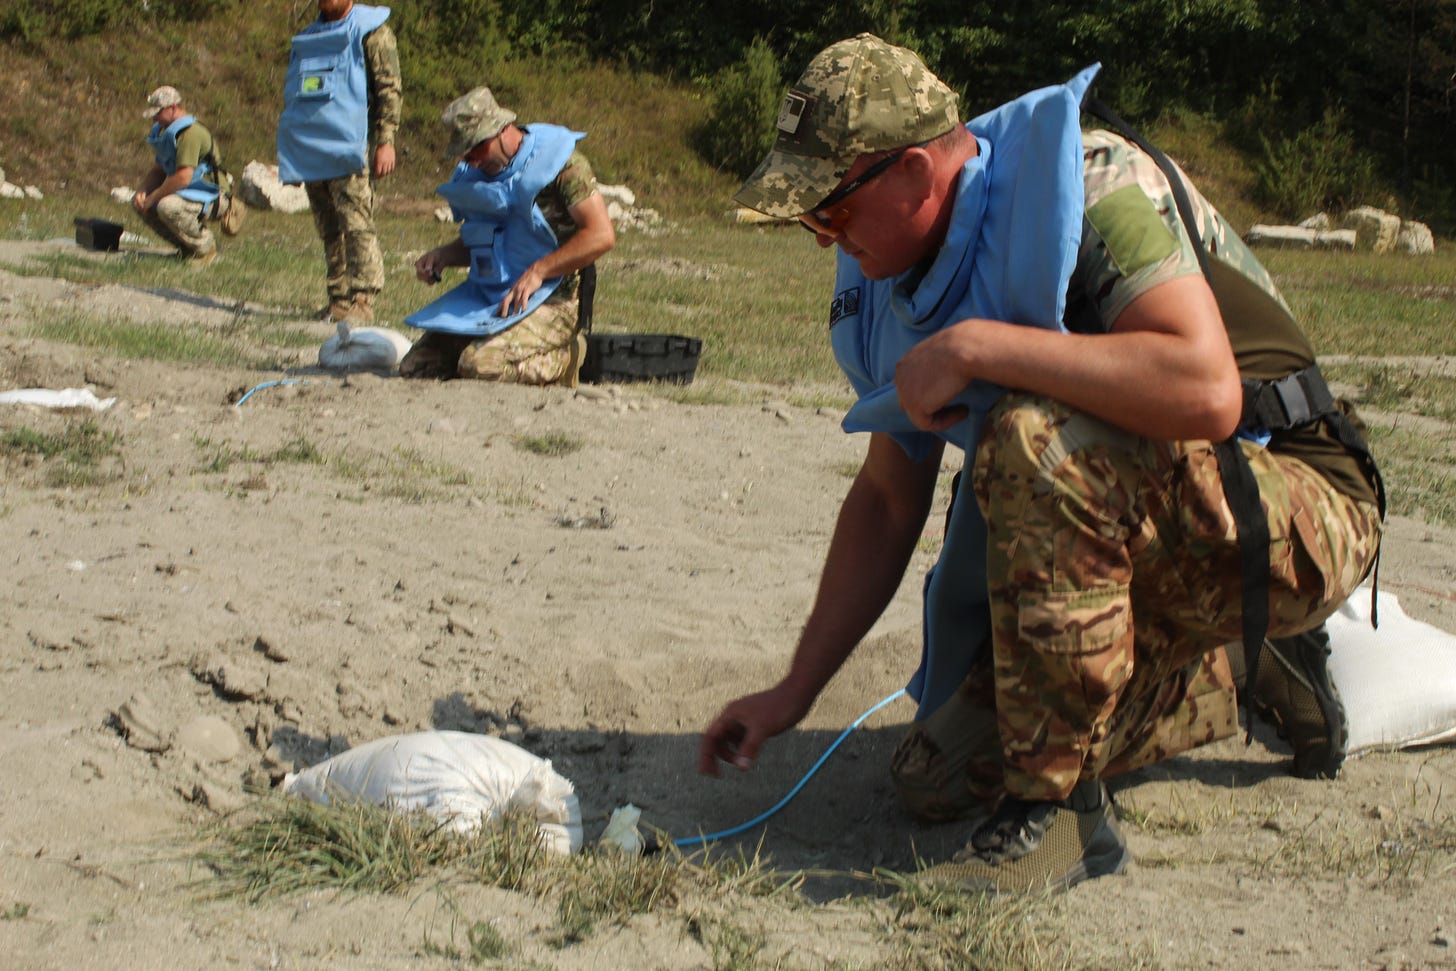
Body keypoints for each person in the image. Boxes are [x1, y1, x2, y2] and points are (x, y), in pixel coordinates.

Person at [699, 34, 1383, 893]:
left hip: (1292, 499)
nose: (819, 238)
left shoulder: (1093, 183)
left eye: (829, 211)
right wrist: (794, 688)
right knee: (933, 777)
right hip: (1144, 530)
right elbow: (885, 495)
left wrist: (984, 347)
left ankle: (1059, 821)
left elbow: (1207, 390)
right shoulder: (899, 280)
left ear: (913, 172)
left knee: (1031, 435)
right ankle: (1239, 666)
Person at [397, 86, 615, 385]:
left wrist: (540, 271)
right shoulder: (477, 173)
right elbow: (488, 239)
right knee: (417, 367)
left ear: (501, 130)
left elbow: (601, 235)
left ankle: (564, 358)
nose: (471, 160)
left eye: (476, 149)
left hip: (554, 298)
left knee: (479, 366)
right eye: (465, 153)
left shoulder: (564, 165)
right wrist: (442, 256)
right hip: (493, 297)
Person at [277, 0, 401, 324]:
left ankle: (363, 300)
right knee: (328, 228)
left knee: (357, 224)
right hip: (315, 148)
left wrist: (386, 140)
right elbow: (296, 98)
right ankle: (339, 300)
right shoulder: (309, 38)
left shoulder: (372, 32)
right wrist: (293, 155)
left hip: (352, 147)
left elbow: (389, 88)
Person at [133, 85, 228, 264]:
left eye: (158, 113)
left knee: (167, 206)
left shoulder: (191, 133)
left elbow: (184, 177)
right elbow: (158, 170)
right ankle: (187, 248)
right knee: (141, 204)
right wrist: (143, 191)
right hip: (187, 192)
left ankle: (205, 248)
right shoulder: (169, 132)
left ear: (173, 108)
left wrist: (154, 197)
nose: (154, 118)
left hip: (213, 194)